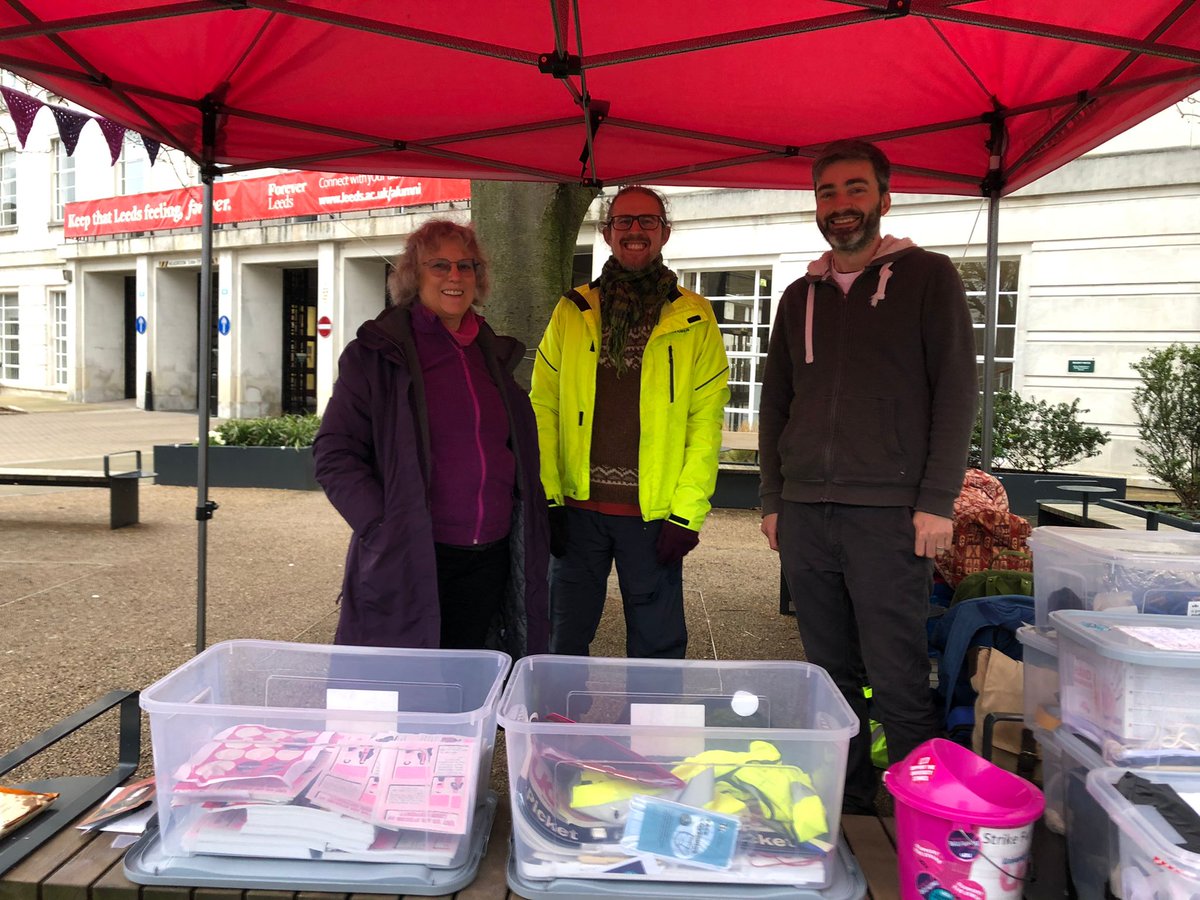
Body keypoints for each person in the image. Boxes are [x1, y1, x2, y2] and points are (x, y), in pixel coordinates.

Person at [758, 140, 977, 813]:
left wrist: (937, 500)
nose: (840, 205)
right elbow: (776, 404)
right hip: (805, 515)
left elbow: (957, 392)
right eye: (827, 193)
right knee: (829, 677)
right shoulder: (799, 296)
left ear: (885, 197)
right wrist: (772, 498)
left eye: (855, 190)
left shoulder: (929, 277)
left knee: (899, 675)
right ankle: (847, 810)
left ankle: (927, 823)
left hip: (891, 515)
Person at [314, 219, 549, 656]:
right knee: (408, 692)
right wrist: (381, 526)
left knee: (472, 687)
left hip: (491, 558)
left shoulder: (492, 354)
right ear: (412, 275)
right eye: (439, 264)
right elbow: (334, 452)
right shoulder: (377, 355)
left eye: (467, 265)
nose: (455, 276)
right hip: (415, 554)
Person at [531, 186, 729, 660]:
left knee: (657, 646)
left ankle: (653, 733)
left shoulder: (695, 317)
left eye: (647, 221)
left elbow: (705, 424)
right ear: (606, 232)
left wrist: (687, 513)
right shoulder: (573, 311)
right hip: (577, 511)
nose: (635, 231)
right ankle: (557, 730)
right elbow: (544, 407)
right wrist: (548, 499)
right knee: (564, 637)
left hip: (653, 515)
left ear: (665, 232)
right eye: (623, 221)